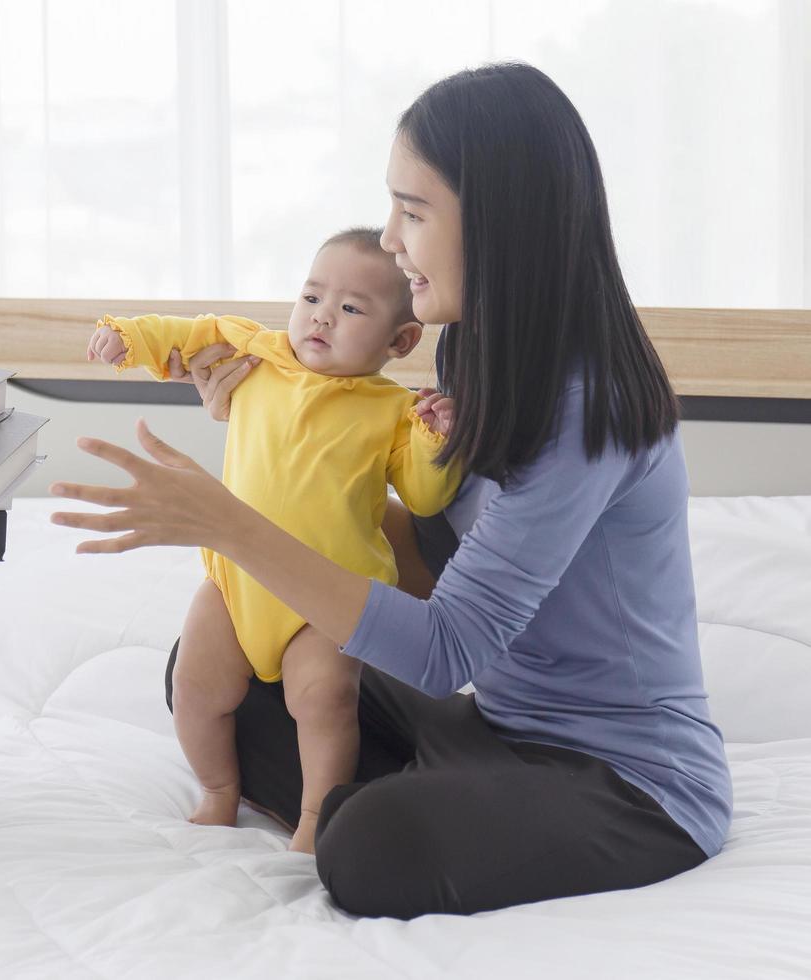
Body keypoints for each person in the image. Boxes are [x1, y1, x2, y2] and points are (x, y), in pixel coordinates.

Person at [47, 62, 731, 919]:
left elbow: (447, 648)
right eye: (392, 208)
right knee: (214, 678)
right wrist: (291, 445)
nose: (392, 240)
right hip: (496, 731)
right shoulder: (470, 354)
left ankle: (404, 812)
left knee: (367, 848)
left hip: (625, 782)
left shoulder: (582, 407)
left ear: (499, 224)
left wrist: (230, 524)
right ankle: (432, 804)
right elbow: (429, 560)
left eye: (413, 212)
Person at [84, 228, 459, 854]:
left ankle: (314, 818)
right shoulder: (257, 355)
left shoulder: (391, 409)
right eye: (312, 296)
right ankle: (217, 791)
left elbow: (424, 498)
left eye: (350, 309)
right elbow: (190, 335)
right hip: (234, 583)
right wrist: (128, 336)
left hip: (326, 601)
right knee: (195, 688)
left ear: (401, 340)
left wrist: (435, 439)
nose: (321, 317)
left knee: (325, 702)